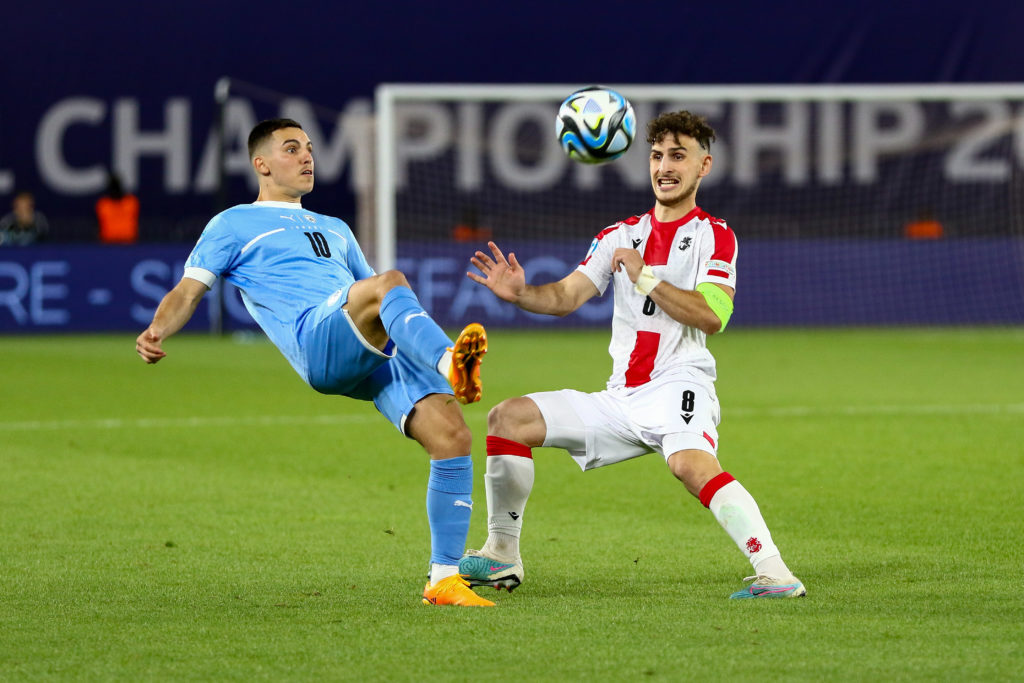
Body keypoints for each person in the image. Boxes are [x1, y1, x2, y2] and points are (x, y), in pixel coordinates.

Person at [136, 118, 494, 607]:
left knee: (452, 435)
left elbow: (382, 305)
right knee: (390, 282)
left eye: (308, 147)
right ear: (261, 164)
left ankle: (443, 579)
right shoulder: (232, 223)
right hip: (314, 337)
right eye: (291, 149)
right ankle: (451, 360)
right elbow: (189, 290)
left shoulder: (336, 228)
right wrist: (157, 328)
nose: (306, 157)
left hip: (363, 345)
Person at [458, 111, 806, 600]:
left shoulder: (714, 235)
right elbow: (566, 296)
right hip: (621, 396)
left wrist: (645, 277)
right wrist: (521, 294)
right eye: (658, 156)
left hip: (679, 383)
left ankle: (775, 573)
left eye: (678, 156)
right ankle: (500, 555)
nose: (665, 166)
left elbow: (712, 316)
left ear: (704, 166)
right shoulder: (618, 235)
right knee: (507, 418)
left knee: (689, 463)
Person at [96, 172, 139, 243]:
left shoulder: (131, 202)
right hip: (107, 243)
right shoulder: (103, 204)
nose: (115, 191)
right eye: (113, 188)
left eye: (116, 188)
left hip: (129, 243)